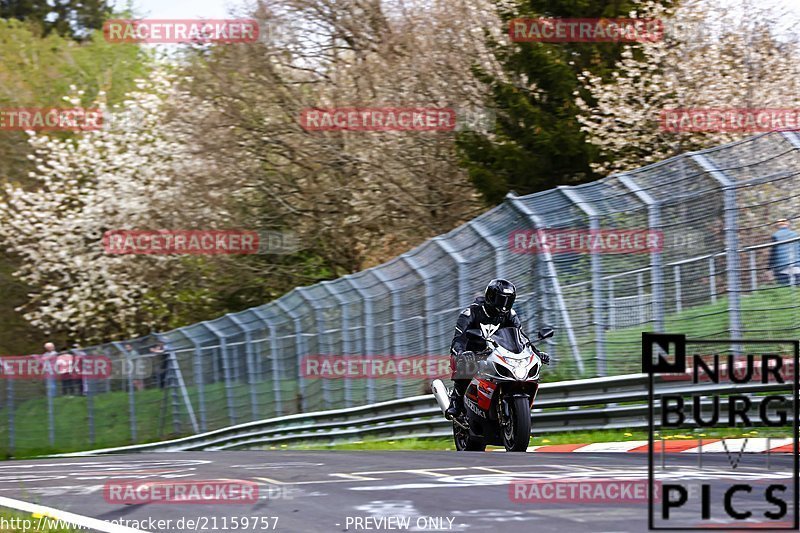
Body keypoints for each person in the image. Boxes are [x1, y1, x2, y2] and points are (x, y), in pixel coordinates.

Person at [445, 279, 549, 419]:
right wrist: (462, 353)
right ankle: (456, 400)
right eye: (501, 300)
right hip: (474, 354)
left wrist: (537, 353)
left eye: (508, 301)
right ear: (490, 297)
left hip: (498, 353)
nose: (504, 306)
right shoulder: (471, 313)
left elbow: (521, 337)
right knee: (465, 364)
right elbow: (458, 340)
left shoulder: (510, 315)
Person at [768, 219, 800, 285]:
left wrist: (769, 269)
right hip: (797, 267)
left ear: (777, 225)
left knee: (784, 291)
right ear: (788, 224)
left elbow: (773, 253)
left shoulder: (775, 236)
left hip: (782, 269)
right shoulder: (796, 235)